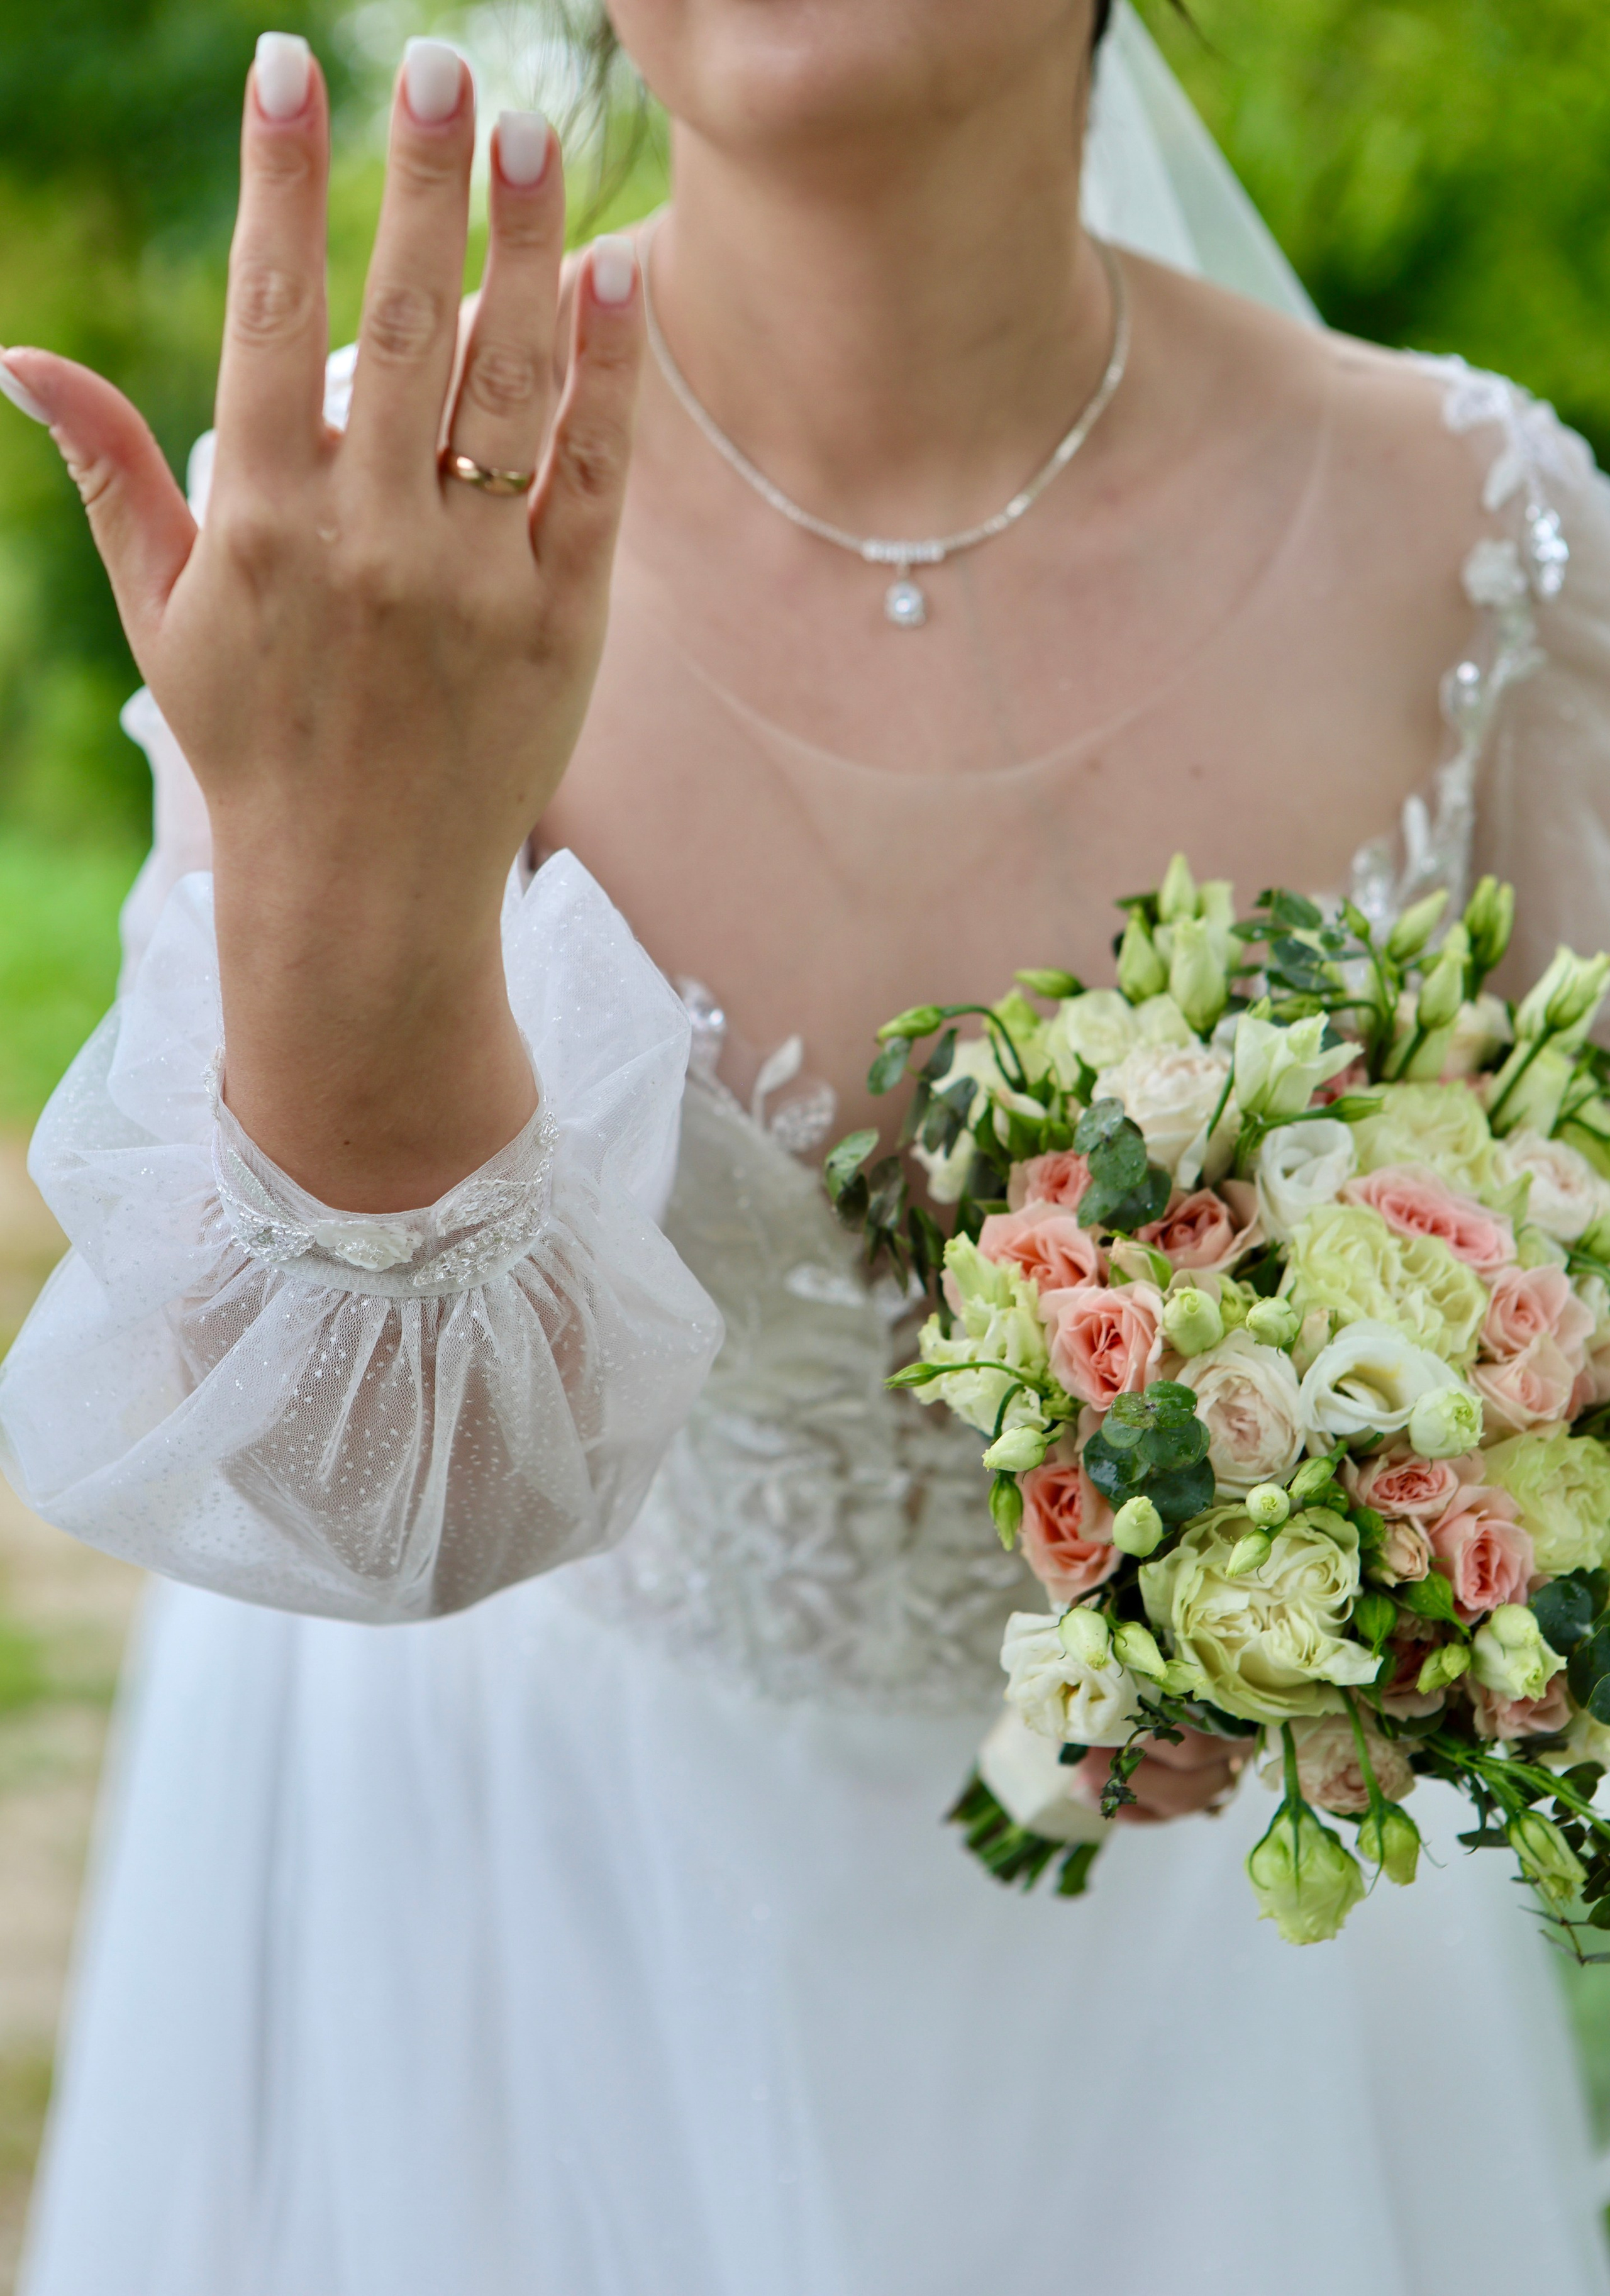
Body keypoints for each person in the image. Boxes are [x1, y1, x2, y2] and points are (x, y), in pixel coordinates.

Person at [1, 3, 1608, 2289]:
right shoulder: (380, 521)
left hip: (1210, 2061)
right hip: (519, 1982)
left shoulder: (1494, 552)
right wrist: (368, 921)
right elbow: (306, 1493)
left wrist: (1419, 1612)